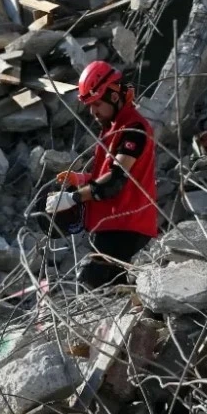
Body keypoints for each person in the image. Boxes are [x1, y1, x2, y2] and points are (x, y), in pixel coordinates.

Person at [44, 61, 158, 289]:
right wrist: (81, 180)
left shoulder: (132, 131)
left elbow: (114, 183)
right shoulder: (114, 128)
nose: (92, 112)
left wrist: (72, 198)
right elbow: (110, 176)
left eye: (96, 104)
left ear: (114, 97)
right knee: (107, 289)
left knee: (91, 284)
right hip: (115, 226)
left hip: (127, 227)